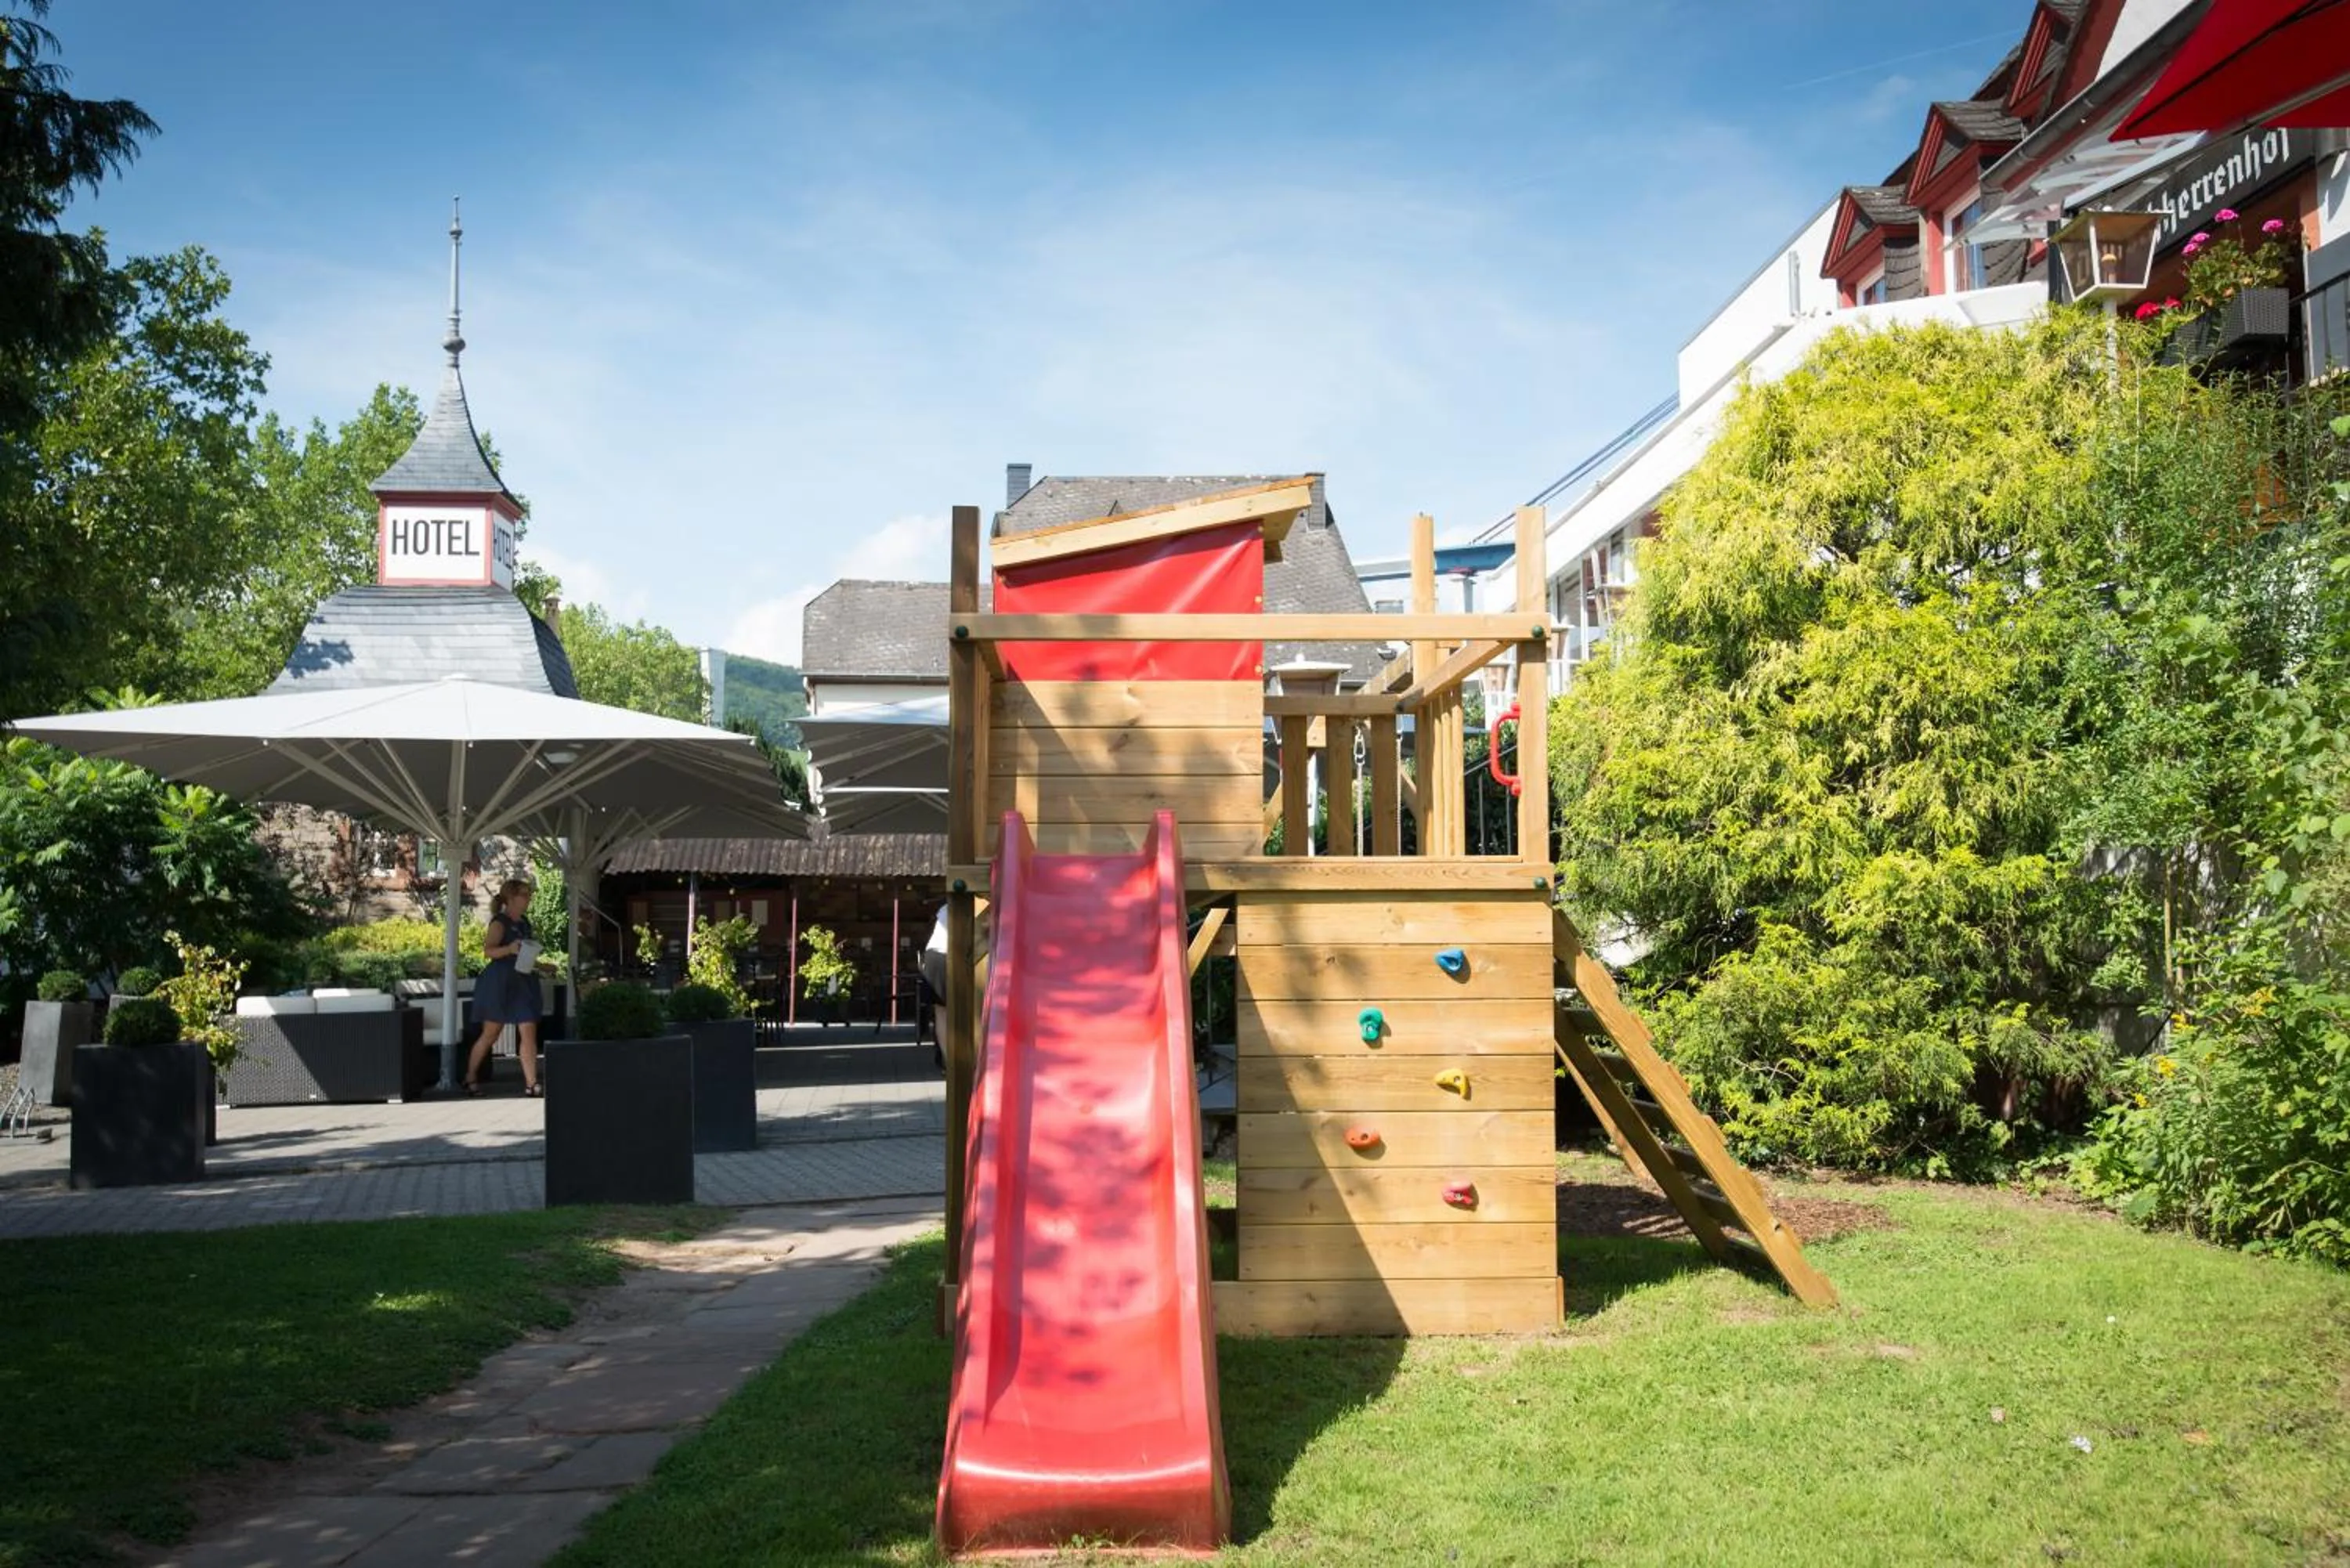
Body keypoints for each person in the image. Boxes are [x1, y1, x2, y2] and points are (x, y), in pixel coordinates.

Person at [464, 878, 542, 1097]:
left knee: (528, 1030)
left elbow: (524, 953)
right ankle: (470, 1076)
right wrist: (508, 949)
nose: (528, 899)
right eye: (524, 895)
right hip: (499, 982)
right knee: (491, 1034)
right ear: (511, 898)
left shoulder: (525, 923)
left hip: (523, 981)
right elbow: (488, 951)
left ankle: (531, 1084)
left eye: (529, 894)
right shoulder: (499, 922)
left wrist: (543, 965)